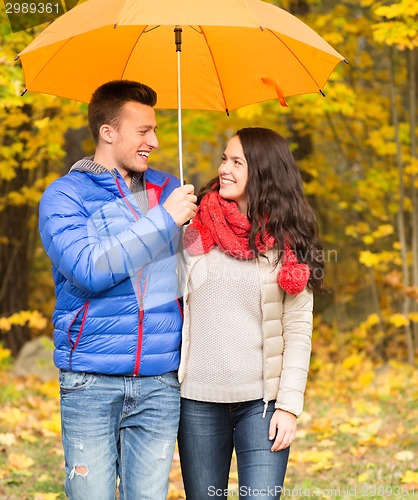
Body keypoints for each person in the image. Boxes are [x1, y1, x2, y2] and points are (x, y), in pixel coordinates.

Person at [38, 80, 197, 500]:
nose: (156, 141)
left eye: (156, 130)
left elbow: (198, 270)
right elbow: (88, 269)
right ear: (108, 132)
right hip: (91, 378)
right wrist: (165, 221)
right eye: (143, 131)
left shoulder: (169, 190)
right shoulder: (64, 196)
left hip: (160, 380)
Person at [177, 127, 324, 499]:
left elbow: (298, 332)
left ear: (263, 172)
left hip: (262, 405)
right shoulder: (195, 229)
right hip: (197, 401)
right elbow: (173, 295)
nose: (224, 168)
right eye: (225, 158)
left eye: (237, 162)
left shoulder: (287, 243)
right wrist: (174, 223)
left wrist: (289, 407)